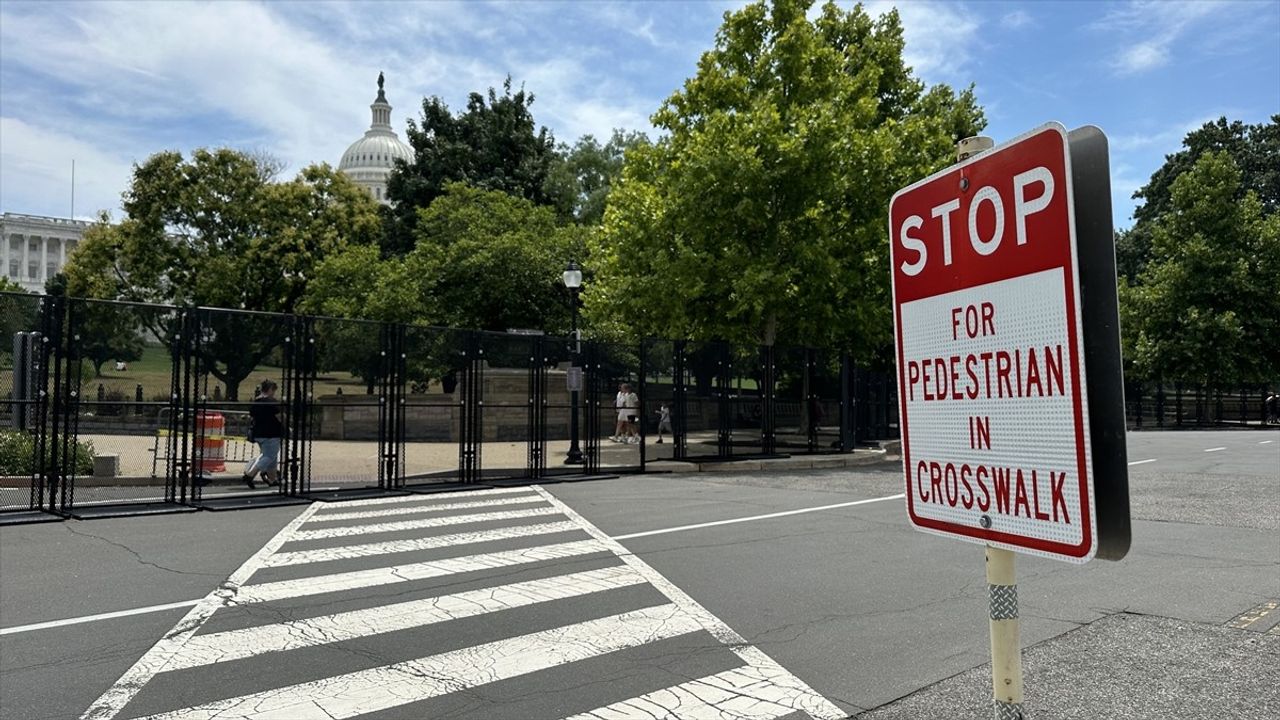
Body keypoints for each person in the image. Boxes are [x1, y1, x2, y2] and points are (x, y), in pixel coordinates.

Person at [243, 379, 283, 489]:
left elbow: (252, 416)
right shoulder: (272, 402)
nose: (274, 393)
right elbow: (279, 417)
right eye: (273, 390)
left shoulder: (256, 402)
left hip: (259, 433)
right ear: (270, 389)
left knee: (272, 457)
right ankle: (250, 475)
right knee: (269, 456)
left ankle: (272, 479)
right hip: (271, 433)